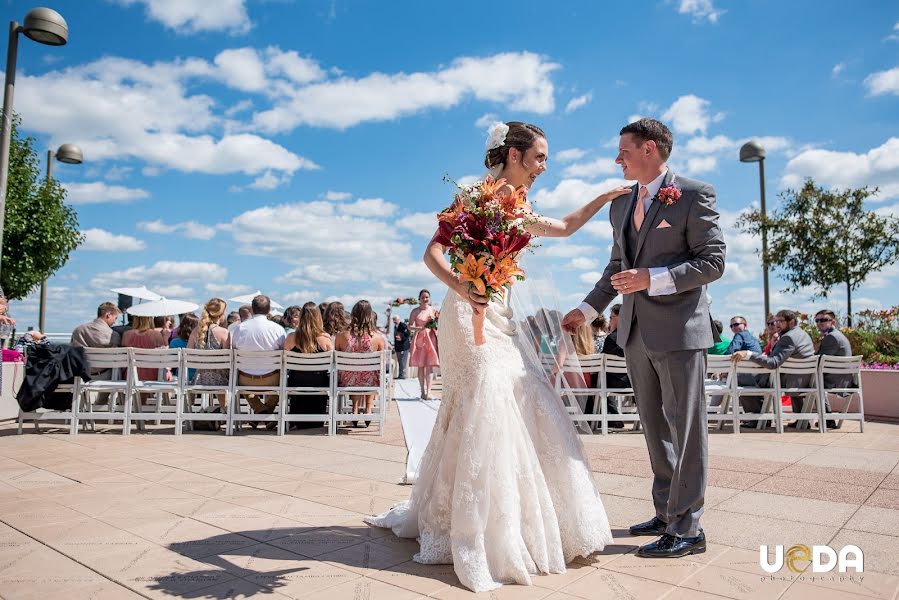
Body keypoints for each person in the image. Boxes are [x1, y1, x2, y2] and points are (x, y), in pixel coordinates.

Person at [366, 121, 629, 592]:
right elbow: (432, 253)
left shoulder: (522, 206)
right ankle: (474, 529)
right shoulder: (473, 197)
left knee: (528, 396)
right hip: (465, 313)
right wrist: (464, 287)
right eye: (541, 157)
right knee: (486, 397)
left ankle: (526, 522)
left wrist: (607, 195)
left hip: (502, 314)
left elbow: (566, 227)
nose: (545, 166)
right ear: (514, 154)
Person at [562, 117, 726, 559]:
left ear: (650, 149)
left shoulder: (694, 194)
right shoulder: (620, 205)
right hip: (634, 333)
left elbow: (713, 263)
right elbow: (617, 266)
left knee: (686, 428)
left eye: (625, 151)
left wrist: (652, 278)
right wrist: (586, 309)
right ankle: (667, 512)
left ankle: (689, 528)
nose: (618, 159)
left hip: (679, 331)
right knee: (655, 429)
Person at [732, 309, 815, 427]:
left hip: (787, 382)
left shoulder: (788, 337)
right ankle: (800, 420)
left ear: (791, 322)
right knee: (754, 378)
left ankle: (757, 419)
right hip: (803, 380)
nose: (776, 325)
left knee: (739, 378)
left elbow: (773, 363)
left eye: (780, 321)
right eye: (775, 321)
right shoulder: (802, 334)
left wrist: (749, 354)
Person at [231, 295, 286, 428]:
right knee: (284, 381)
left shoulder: (239, 328)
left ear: (252, 310)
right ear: (269, 310)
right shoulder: (277, 329)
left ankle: (260, 411)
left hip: (246, 379)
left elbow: (233, 349)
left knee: (238, 381)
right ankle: (265, 414)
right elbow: (285, 353)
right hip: (272, 379)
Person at [336, 300, 385, 428]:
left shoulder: (342, 336)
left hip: (347, 382)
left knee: (355, 373)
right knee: (370, 373)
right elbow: (381, 363)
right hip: (371, 382)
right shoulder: (378, 338)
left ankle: (355, 409)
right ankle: (368, 409)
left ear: (353, 314)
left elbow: (336, 358)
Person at [284, 302, 333, 430]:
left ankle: (296, 419)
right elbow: (333, 364)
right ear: (318, 317)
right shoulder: (326, 339)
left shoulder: (291, 338)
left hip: (296, 382)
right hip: (319, 383)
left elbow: (285, 362)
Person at [188, 298, 230, 412]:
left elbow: (188, 355)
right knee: (226, 375)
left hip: (199, 379)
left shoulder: (195, 331)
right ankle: (225, 409)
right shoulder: (223, 332)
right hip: (221, 381)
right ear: (221, 314)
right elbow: (228, 361)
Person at [815, 309, 852, 428]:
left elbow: (819, 362)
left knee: (807, 382)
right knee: (813, 381)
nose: (820, 323)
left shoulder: (831, 337)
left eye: (824, 320)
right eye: (817, 320)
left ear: (833, 322)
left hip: (838, 381)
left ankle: (804, 419)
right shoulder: (834, 335)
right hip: (842, 378)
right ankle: (827, 419)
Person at [408, 289, 439, 399]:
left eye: (426, 297)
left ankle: (429, 391)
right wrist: (419, 328)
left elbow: (436, 325)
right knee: (421, 366)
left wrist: (434, 326)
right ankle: (422, 391)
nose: (425, 299)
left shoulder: (433, 310)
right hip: (419, 339)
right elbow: (409, 326)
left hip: (430, 338)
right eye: (423, 297)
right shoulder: (415, 311)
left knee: (430, 365)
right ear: (419, 299)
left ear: (429, 298)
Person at [167, 312, 199, 383]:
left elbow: (170, 363)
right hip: (197, 377)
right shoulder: (200, 344)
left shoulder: (174, 342)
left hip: (180, 377)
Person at [392, 315, 411, 379]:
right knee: (400, 361)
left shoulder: (403, 325)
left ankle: (403, 375)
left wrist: (401, 338)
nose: (394, 321)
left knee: (403, 362)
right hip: (398, 347)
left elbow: (408, 334)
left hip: (404, 347)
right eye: (393, 320)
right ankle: (401, 375)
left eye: (395, 319)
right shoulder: (395, 326)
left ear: (398, 319)